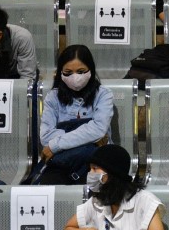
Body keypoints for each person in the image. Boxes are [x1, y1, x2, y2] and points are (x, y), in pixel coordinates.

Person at [63, 145, 168, 230]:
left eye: (95, 169)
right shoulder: (96, 202)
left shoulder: (144, 200)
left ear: (112, 173)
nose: (90, 174)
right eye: (90, 169)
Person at [37, 45, 113, 185]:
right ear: (60, 72)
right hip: (62, 160)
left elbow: (98, 129)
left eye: (81, 71)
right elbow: (46, 137)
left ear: (91, 70)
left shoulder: (103, 94)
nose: (75, 77)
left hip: (95, 162)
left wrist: (56, 145)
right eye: (68, 72)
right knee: (49, 186)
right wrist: (89, 137)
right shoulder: (52, 97)